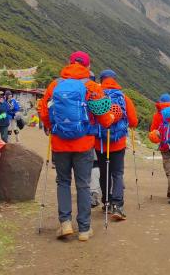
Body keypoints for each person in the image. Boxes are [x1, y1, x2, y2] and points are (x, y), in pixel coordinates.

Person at [38, 51, 114, 242]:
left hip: (60, 143)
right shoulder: (92, 87)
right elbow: (104, 119)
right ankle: (84, 229)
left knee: (63, 182)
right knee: (83, 184)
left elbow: (44, 111)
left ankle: (64, 223)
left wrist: (51, 127)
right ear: (88, 67)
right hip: (84, 144)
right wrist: (110, 118)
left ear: (69, 63)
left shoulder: (54, 85)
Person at [92, 69, 138, 221]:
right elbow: (133, 122)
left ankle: (106, 202)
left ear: (101, 79)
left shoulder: (95, 95)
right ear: (115, 80)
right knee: (117, 173)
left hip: (100, 143)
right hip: (118, 143)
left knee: (104, 172)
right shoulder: (124, 97)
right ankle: (118, 206)